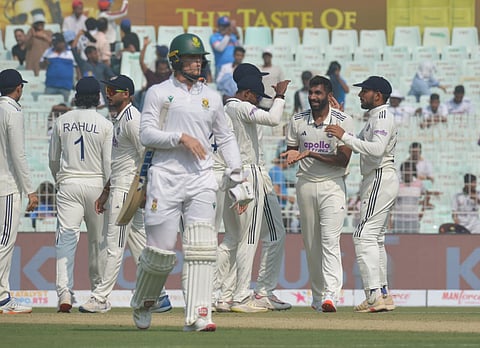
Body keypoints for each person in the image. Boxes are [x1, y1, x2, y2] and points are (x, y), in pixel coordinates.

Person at [130, 33, 248, 332]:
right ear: (175, 61)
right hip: (165, 178)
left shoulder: (213, 97)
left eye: (199, 59)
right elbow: (146, 135)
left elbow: (226, 137)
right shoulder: (158, 93)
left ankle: (199, 314)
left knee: (202, 247)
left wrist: (237, 175)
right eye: (191, 59)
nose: (197, 64)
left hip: (201, 179)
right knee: (161, 252)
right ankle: (144, 301)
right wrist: (179, 138)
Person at [78, 75, 171, 313]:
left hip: (128, 192)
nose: (108, 94)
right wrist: (105, 192)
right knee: (140, 247)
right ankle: (159, 295)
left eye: (113, 90)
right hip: (121, 189)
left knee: (113, 245)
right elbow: (121, 162)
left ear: (127, 94)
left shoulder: (132, 120)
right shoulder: (120, 119)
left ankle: (100, 298)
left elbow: (147, 155)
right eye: (107, 89)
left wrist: (144, 191)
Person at [213, 64, 290, 313]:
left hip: (233, 174)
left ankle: (221, 294)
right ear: (246, 92)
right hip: (248, 174)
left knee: (233, 238)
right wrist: (280, 96)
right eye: (257, 95)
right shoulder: (240, 106)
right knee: (248, 237)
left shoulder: (226, 108)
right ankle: (241, 297)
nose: (258, 100)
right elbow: (273, 118)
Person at [325, 75, 398, 313]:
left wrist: (343, 136)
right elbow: (363, 142)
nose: (359, 94)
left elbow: (376, 150)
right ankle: (383, 295)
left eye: (364, 91)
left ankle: (374, 295)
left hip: (380, 175)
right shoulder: (376, 117)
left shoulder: (383, 117)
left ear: (378, 95)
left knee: (362, 235)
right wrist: (344, 124)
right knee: (375, 238)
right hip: (376, 178)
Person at [283, 75, 354, 312]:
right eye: (311, 93)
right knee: (312, 244)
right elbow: (292, 150)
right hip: (305, 185)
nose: (313, 97)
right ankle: (317, 298)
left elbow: (343, 161)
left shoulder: (343, 120)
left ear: (328, 94)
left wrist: (312, 154)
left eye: (318, 93)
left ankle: (331, 296)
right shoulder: (297, 120)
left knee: (329, 241)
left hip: (332, 186)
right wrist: (291, 156)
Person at [48, 77, 113, 313]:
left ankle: (64, 292)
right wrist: (108, 192)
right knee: (98, 243)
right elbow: (108, 164)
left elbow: (53, 160)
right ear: (98, 97)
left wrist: (61, 179)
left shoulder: (61, 121)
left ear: (76, 97)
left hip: (69, 184)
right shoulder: (105, 124)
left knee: (66, 240)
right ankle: (98, 294)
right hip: (97, 185)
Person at [0, 69, 39, 314]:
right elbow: (18, 154)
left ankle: (4, 294)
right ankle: (2, 297)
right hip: (6, 186)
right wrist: (31, 190)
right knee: (5, 241)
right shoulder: (12, 110)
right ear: (18, 88)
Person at [40, 32, 79, 102]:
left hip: (65, 87)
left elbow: (77, 67)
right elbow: (41, 66)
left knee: (65, 106)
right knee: (47, 105)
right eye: (53, 43)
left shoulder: (71, 52)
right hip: (50, 86)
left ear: (62, 42)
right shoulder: (48, 51)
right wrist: (45, 63)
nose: (54, 45)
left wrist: (79, 80)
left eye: (56, 43)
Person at [391, 161, 425, 234]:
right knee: (398, 244)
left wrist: (422, 211)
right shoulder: (396, 184)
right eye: (405, 171)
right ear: (402, 172)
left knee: (413, 243)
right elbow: (391, 203)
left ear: (413, 172)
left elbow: (426, 196)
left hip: (413, 220)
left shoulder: (419, 184)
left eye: (409, 171)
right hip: (398, 220)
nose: (407, 173)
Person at [404, 142, 436, 210]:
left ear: (420, 152)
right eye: (413, 152)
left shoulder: (426, 163)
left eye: (416, 152)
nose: (415, 154)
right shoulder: (405, 164)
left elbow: (432, 180)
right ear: (410, 152)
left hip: (422, 192)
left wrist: (417, 177)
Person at [25, 11, 53, 76]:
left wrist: (44, 36)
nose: (40, 24)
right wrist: (33, 34)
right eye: (37, 23)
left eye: (41, 23)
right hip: (33, 63)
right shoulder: (30, 33)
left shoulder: (49, 32)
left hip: (46, 62)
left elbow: (55, 44)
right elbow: (27, 45)